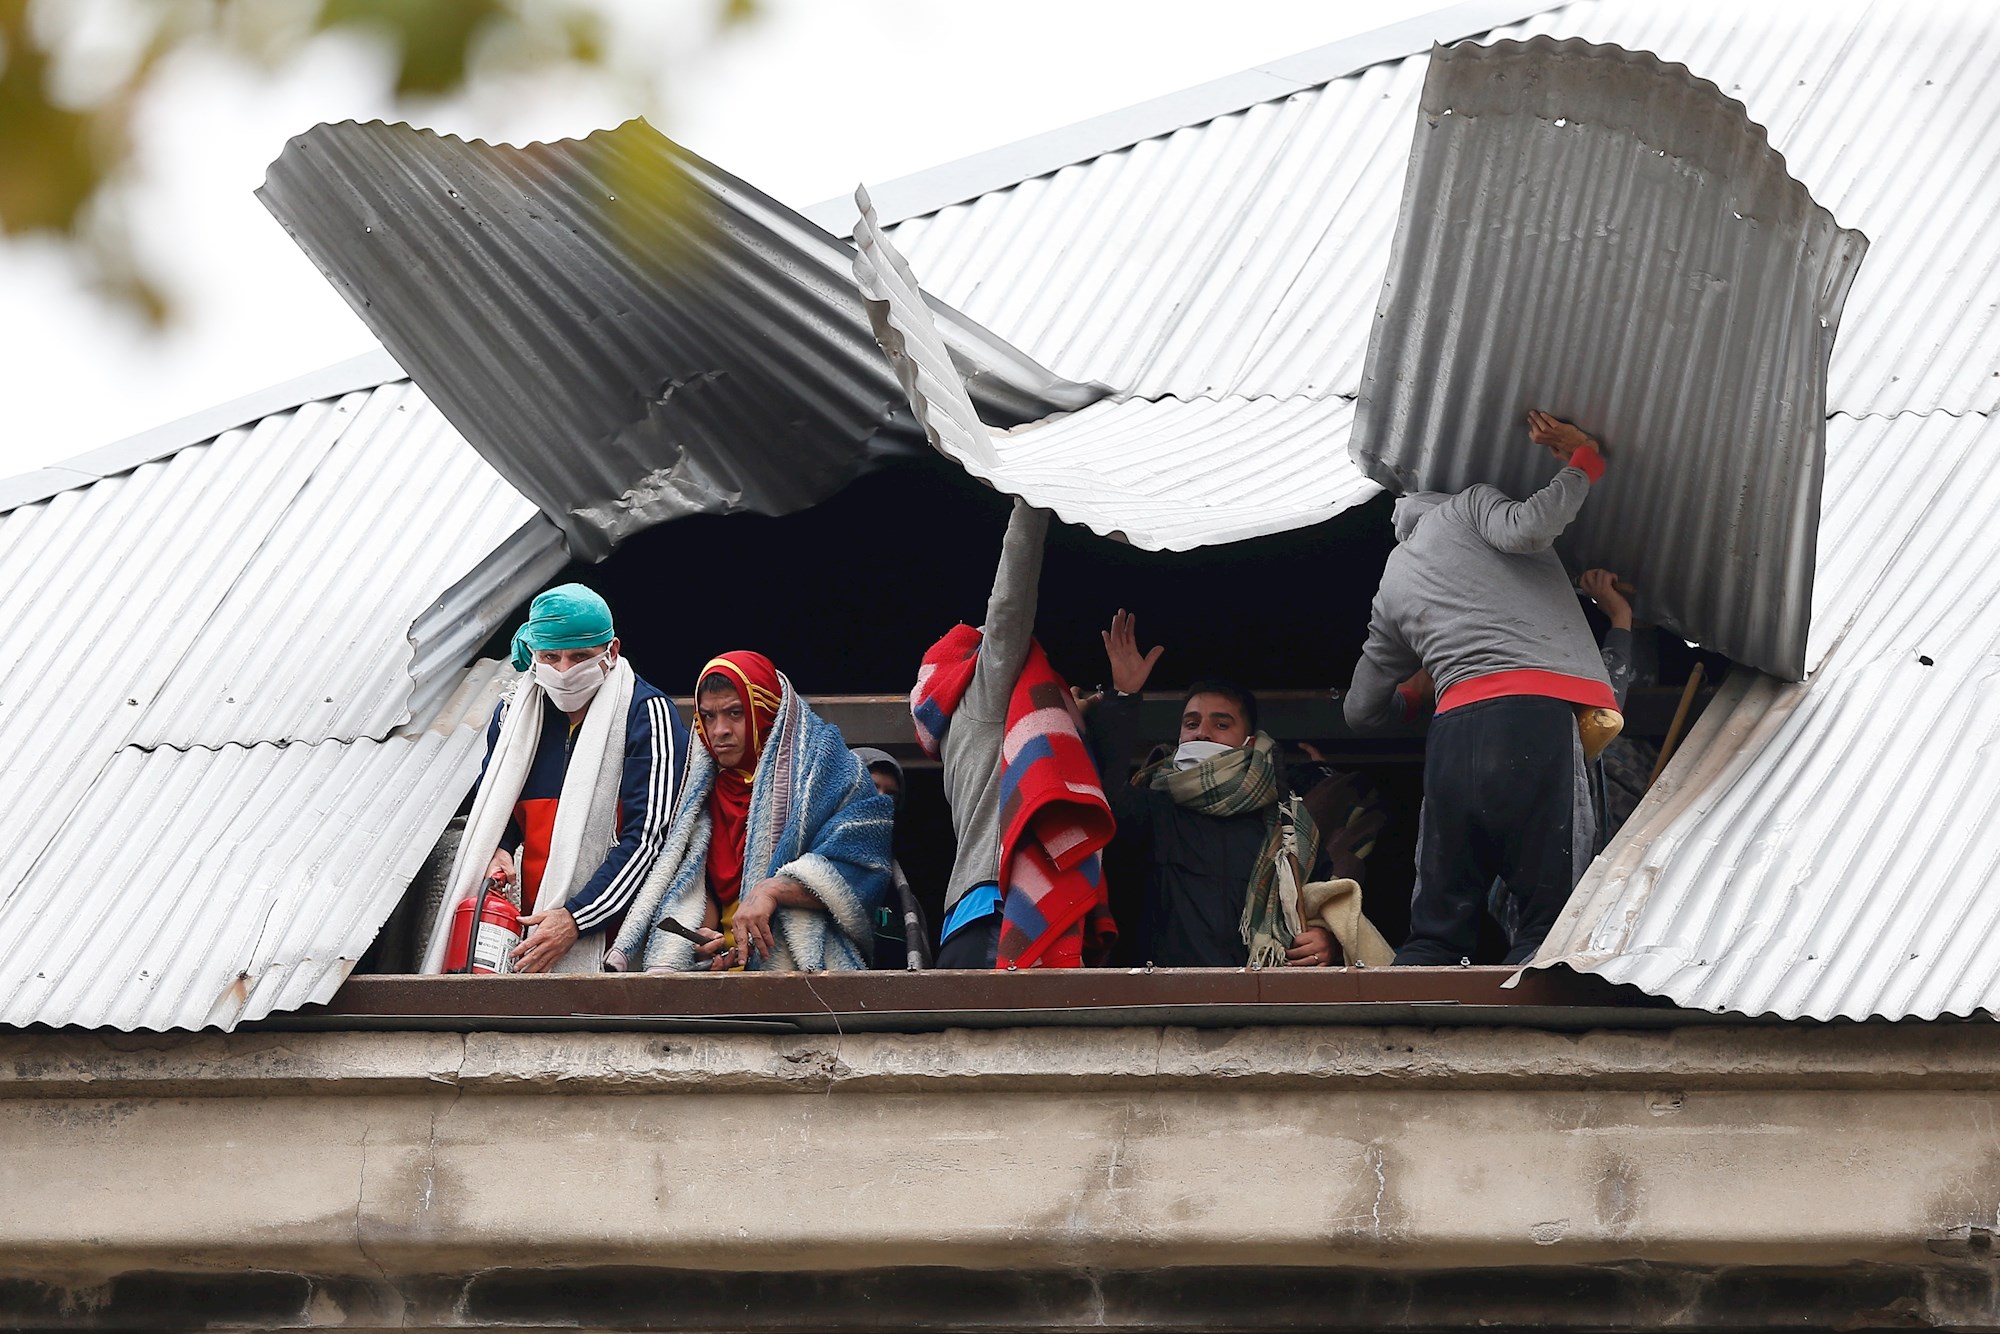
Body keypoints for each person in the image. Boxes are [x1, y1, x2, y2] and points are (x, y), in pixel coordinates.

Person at [1344, 409, 1614, 967]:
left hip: (1452, 734)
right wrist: (1585, 460)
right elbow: (1530, 527)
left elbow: (1361, 711)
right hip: (1530, 717)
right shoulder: (1467, 506)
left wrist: (1416, 695)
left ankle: (1414, 1012)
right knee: (1548, 918)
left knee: (1438, 922)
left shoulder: (1392, 577)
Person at [1082, 611, 1388, 969]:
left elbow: (1320, 900)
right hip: (1161, 1002)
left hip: (1261, 1005)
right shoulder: (1152, 806)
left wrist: (1328, 940)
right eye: (1191, 723)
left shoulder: (1287, 825)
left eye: (1221, 724)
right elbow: (1096, 799)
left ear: (1249, 742)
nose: (1202, 733)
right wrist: (1124, 697)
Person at [420, 583, 687, 974]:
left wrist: (576, 919)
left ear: (611, 651)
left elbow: (648, 839)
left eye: (580, 656)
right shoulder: (514, 716)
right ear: (533, 655)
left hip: (614, 936)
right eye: (550, 657)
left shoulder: (647, 715)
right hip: (530, 923)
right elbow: (495, 804)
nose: (564, 671)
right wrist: (501, 846)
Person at [911, 498, 1116, 969]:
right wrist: (1031, 499)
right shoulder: (981, 699)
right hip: (999, 912)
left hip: (971, 919)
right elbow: (1009, 607)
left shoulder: (962, 731)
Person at [610, 652, 892, 972]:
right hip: (726, 980)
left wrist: (773, 889)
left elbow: (866, 866)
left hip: (805, 978)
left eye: (734, 713)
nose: (720, 731)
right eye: (709, 716)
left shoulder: (833, 771)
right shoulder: (697, 791)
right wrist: (701, 943)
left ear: (767, 711)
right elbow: (694, 889)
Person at [851, 747, 932, 969]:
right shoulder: (815, 867)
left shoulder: (906, 890)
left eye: (891, 793)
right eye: (872, 787)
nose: (882, 800)